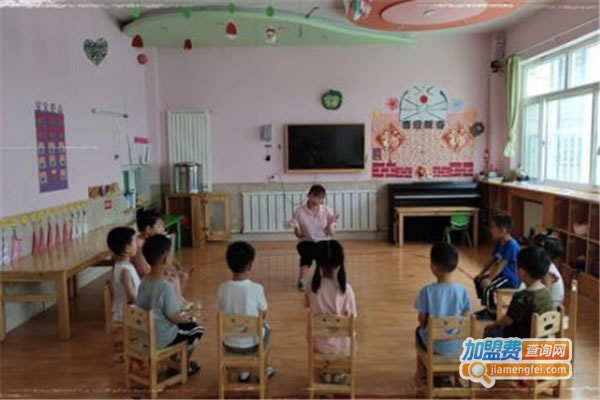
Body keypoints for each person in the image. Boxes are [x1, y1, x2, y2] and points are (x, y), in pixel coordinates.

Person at [136, 234, 203, 375]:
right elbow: (174, 317)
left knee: (185, 327)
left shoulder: (143, 282)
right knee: (196, 329)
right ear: (166, 259)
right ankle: (181, 366)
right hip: (161, 336)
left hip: (144, 334)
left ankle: (173, 363)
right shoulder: (165, 286)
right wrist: (189, 317)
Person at [217, 241, 275, 382]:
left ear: (229, 264)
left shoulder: (222, 288)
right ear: (250, 265)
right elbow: (264, 313)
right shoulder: (257, 288)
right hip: (252, 346)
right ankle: (261, 369)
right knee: (267, 328)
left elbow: (220, 311)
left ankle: (244, 371)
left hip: (229, 345)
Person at [304, 240, 356, 384]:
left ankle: (326, 371)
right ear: (340, 264)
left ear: (318, 264)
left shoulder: (310, 287)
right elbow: (353, 318)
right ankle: (337, 371)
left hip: (318, 343)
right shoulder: (346, 290)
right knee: (350, 334)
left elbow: (307, 307)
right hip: (341, 347)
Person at [484, 246, 554, 338]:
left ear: (522, 272)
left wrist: (493, 324)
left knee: (490, 331)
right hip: (541, 339)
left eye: (516, 266)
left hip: (522, 341)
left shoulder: (522, 297)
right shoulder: (547, 293)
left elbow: (507, 320)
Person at [414, 242, 471, 356]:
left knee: (418, 331)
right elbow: (466, 316)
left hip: (433, 345)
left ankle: (426, 363)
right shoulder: (462, 291)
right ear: (455, 265)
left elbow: (421, 319)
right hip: (456, 345)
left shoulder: (427, 291)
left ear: (433, 266)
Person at [135, 207, 191, 309]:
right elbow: (144, 271)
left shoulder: (153, 241)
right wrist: (166, 273)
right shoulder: (139, 245)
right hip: (148, 281)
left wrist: (178, 267)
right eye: (159, 226)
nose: (163, 229)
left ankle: (177, 301)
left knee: (182, 275)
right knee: (174, 279)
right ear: (148, 229)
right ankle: (174, 305)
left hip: (156, 275)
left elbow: (166, 257)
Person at [288, 184, 338, 291]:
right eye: (314, 196)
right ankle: (303, 280)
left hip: (323, 241)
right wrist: (296, 227)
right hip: (306, 241)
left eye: (320, 198)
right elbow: (299, 235)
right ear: (308, 195)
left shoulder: (327, 210)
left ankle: (315, 279)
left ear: (323, 200)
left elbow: (331, 234)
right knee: (308, 251)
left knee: (322, 249)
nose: (316, 200)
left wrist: (330, 224)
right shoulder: (299, 211)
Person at [474, 214, 521, 319]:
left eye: (493, 227)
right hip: (502, 275)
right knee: (478, 280)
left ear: (502, 230)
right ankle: (488, 306)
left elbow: (501, 264)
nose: (490, 230)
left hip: (511, 278)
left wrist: (489, 279)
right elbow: (491, 260)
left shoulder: (512, 245)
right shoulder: (499, 242)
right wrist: (481, 274)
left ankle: (491, 313)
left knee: (488, 287)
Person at [106, 227, 139, 322]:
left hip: (127, 311)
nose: (137, 244)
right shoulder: (125, 272)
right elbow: (131, 297)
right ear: (127, 248)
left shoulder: (119, 265)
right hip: (127, 314)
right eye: (134, 242)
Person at [531, 230, 565, 308]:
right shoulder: (548, 266)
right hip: (551, 305)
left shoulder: (547, 270)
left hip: (549, 308)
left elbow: (544, 295)